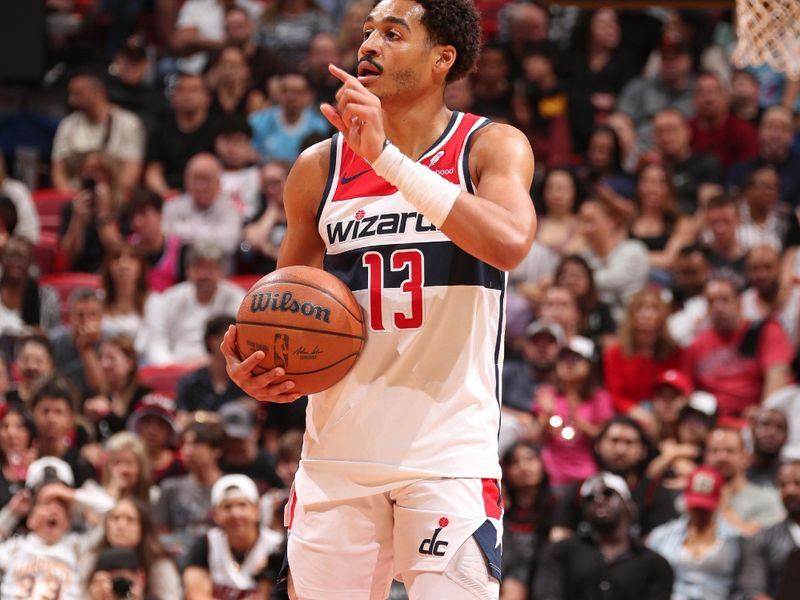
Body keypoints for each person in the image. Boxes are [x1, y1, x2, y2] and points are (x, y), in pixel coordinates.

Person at [221, 0, 537, 597]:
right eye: (367, 31)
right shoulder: (319, 168)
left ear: (443, 58)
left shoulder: (489, 147)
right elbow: (282, 307)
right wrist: (257, 364)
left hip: (447, 455)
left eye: (393, 33)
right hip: (337, 455)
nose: (369, 44)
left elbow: (510, 243)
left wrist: (388, 161)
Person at [534, 472, 674, 600]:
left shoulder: (654, 564)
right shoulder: (560, 553)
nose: (599, 500)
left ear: (628, 506)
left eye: (608, 494)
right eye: (590, 498)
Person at [550, 415, 679, 541]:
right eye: (614, 441)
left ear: (643, 451)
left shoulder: (654, 492)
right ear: (598, 446)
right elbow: (559, 535)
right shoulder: (580, 489)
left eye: (629, 442)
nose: (620, 450)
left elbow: (660, 544)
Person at [682, 276, 794, 418]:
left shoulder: (766, 331)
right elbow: (685, 392)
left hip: (756, 422)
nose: (718, 307)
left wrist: (763, 414)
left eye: (725, 300)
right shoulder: (696, 345)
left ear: (739, 302)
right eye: (711, 302)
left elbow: (777, 386)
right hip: (711, 423)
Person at [647, 466, 743, 600]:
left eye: (705, 508)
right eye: (696, 507)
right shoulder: (662, 536)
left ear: (719, 501)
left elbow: (743, 587)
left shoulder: (735, 539)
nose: (700, 513)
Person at [183, 474, 283, 599]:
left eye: (242, 505)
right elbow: (195, 594)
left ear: (256, 510)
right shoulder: (206, 543)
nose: (235, 514)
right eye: (227, 506)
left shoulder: (278, 545)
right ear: (215, 514)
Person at [144, 242, 243, 366]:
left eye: (209, 268)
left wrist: (209, 364)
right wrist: (171, 368)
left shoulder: (238, 299)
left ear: (221, 271)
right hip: (175, 369)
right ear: (187, 270)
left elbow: (239, 346)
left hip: (220, 369)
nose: (203, 274)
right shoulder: (169, 299)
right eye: (197, 267)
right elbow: (156, 342)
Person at [51, 73, 145, 195]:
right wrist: (69, 199)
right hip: (75, 196)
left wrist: (111, 199)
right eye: (71, 94)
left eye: (78, 93)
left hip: (116, 198)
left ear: (98, 92)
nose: (72, 100)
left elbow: (132, 169)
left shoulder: (128, 123)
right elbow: (58, 170)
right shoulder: (68, 125)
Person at [603, 287, 682, 415]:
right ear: (631, 315)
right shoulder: (615, 353)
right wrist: (637, 412)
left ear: (663, 315)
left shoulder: (675, 353)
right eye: (640, 308)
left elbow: (680, 389)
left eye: (654, 308)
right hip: (628, 415)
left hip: (665, 415)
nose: (646, 314)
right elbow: (615, 396)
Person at [154, 421, 224, 557]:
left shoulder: (229, 487)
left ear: (216, 450)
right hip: (178, 558)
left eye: (196, 444)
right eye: (184, 444)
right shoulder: (170, 488)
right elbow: (159, 534)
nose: (187, 450)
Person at [616, 34, 696, 150]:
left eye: (676, 57)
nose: (670, 63)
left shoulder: (699, 91)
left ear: (689, 60)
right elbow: (619, 120)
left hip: (683, 157)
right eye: (665, 57)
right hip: (640, 154)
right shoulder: (640, 87)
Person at [91, 499, 182, 600]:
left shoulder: (159, 564)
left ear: (143, 528)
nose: (121, 525)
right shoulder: (92, 558)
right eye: (115, 518)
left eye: (130, 519)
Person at [144, 73, 217, 196]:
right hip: (169, 195)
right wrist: (166, 194)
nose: (187, 96)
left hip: (208, 196)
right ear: (173, 98)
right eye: (181, 90)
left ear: (207, 98)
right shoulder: (162, 128)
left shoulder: (217, 129)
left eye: (193, 90)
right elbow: (153, 172)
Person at [579, 198, 650, 322]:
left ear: (610, 222)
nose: (586, 229)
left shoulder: (633, 251)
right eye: (582, 223)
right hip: (595, 324)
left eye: (590, 221)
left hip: (629, 322)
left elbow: (614, 279)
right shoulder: (583, 258)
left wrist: (581, 281)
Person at [161, 153, 243, 260]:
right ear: (186, 181)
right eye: (196, 179)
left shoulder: (230, 209)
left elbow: (228, 244)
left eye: (206, 179)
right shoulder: (172, 206)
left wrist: (185, 233)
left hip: (220, 273)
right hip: (180, 273)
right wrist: (211, 233)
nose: (200, 186)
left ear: (218, 183)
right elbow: (164, 237)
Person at [499, 442, 555, 600]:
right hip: (507, 578)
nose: (524, 467)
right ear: (506, 471)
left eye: (530, 459)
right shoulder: (501, 508)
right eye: (515, 462)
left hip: (544, 578)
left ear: (542, 463)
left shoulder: (557, 504)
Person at [737, 461, 800, 600]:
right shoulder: (763, 537)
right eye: (783, 485)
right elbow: (753, 589)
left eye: (797, 483)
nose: (790, 491)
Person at [704, 427, 785, 535]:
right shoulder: (690, 497)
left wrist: (725, 509)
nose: (721, 457)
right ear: (705, 458)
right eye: (714, 451)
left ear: (745, 458)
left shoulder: (767, 499)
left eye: (730, 451)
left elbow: (760, 541)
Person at [629, 162, 698, 273]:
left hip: (662, 280)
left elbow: (669, 260)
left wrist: (628, 259)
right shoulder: (628, 221)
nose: (652, 189)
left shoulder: (683, 222)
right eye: (646, 182)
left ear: (669, 189)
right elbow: (611, 252)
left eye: (659, 183)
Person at [175, 315, 244, 427]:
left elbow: (250, 412)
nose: (238, 345)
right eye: (232, 339)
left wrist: (199, 417)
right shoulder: (190, 382)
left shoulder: (245, 382)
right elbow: (181, 423)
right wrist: (224, 417)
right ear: (213, 342)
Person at [249, 72, 331, 164]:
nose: (291, 97)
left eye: (297, 92)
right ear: (278, 93)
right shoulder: (258, 121)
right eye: (285, 91)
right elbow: (251, 154)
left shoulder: (319, 126)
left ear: (308, 96)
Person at [651, 107, 721, 214]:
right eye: (660, 132)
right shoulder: (651, 170)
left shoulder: (706, 164)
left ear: (687, 132)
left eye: (673, 130)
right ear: (653, 137)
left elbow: (711, 209)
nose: (666, 138)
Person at [727, 105, 800, 207]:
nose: (776, 135)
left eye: (783, 129)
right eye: (770, 127)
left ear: (792, 136)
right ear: (759, 132)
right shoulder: (740, 171)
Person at [30, 375, 96, 486]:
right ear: (32, 413)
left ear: (71, 418)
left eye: (58, 412)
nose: (51, 419)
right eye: (45, 411)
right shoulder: (22, 460)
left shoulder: (80, 463)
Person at [689, 71, 759, 172]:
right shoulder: (686, 130)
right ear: (694, 100)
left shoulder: (744, 131)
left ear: (727, 98)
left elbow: (750, 170)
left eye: (714, 92)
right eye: (701, 93)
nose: (708, 99)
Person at [218, 399, 284, 493]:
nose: (235, 445)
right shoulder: (215, 463)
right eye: (230, 440)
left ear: (255, 433)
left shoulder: (271, 465)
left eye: (240, 439)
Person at [49, 287, 105, 396]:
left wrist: (85, 349)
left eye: (92, 315)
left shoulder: (111, 343)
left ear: (101, 318)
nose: (86, 321)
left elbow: (101, 389)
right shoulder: (53, 341)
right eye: (80, 315)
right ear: (69, 317)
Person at [0, 237, 61, 337]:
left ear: (30, 262)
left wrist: (33, 334)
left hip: (32, 349)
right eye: (10, 257)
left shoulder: (46, 297)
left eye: (21, 258)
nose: (15, 262)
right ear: (1, 260)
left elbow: (55, 337)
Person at [127, 188, 185, 293]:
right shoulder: (126, 248)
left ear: (160, 214)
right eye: (133, 216)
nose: (137, 222)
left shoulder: (180, 250)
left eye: (143, 214)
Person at [100, 244, 156, 349]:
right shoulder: (98, 300)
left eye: (131, 259)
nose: (123, 265)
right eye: (116, 258)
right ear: (108, 266)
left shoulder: (154, 302)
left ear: (141, 267)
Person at [742, 244, 800, 344]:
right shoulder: (743, 302)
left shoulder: (797, 299)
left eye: (768, 267)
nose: (761, 275)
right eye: (755, 269)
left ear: (780, 267)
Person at [553, 255, 616, 345]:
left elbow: (610, 343)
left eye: (577, 275)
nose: (571, 280)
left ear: (589, 280)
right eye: (565, 275)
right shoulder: (550, 306)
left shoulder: (601, 309)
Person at [737, 165, 800, 253]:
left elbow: (792, 254)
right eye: (763, 186)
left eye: (774, 187)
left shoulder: (786, 219)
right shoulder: (735, 216)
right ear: (747, 190)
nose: (770, 192)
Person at [126, 394, 184, 484]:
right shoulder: (124, 461)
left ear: (170, 431)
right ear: (138, 426)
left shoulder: (182, 465)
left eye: (160, 424)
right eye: (147, 422)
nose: (152, 431)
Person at [535, 168, 586, 257]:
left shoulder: (584, 226)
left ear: (575, 192)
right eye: (550, 188)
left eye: (563, 188)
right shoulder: (533, 224)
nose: (556, 194)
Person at [703, 193, 748, 291]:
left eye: (726, 221)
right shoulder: (701, 257)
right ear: (707, 222)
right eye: (715, 222)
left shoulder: (750, 260)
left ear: (738, 220)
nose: (720, 229)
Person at [7, 335, 55, 407]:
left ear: (51, 365)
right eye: (26, 360)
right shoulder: (8, 398)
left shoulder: (57, 399)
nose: (31, 366)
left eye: (38, 361)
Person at [747, 407, 788, 489]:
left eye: (779, 427)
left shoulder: (790, 477)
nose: (771, 433)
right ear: (752, 430)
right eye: (765, 424)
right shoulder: (737, 470)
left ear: (786, 437)